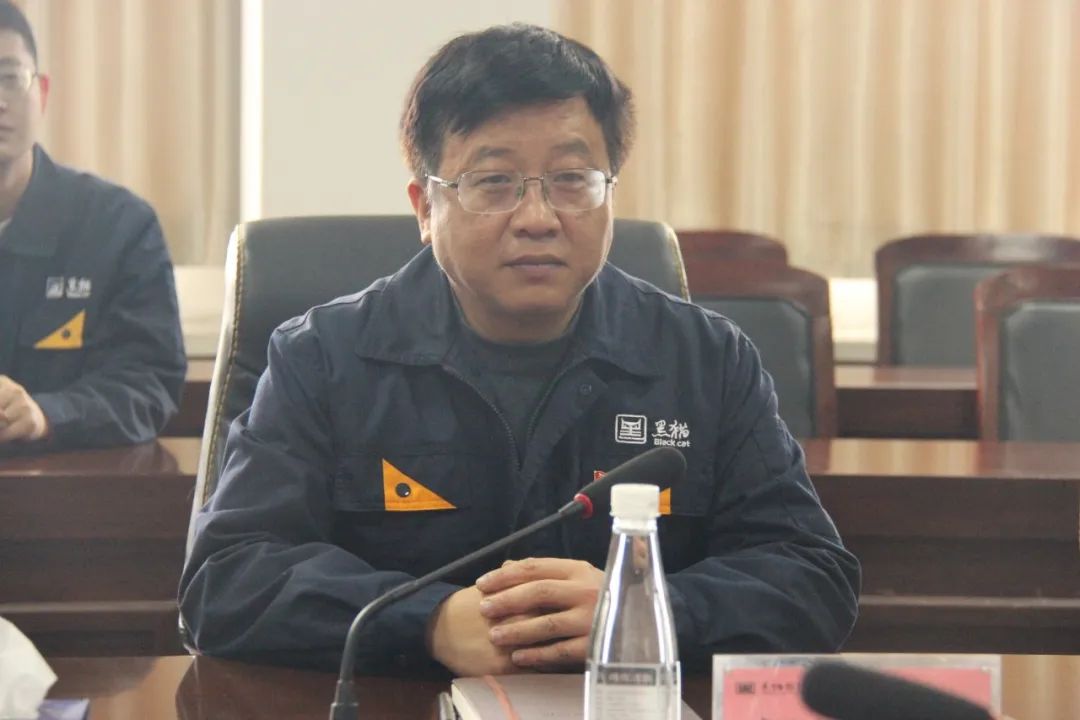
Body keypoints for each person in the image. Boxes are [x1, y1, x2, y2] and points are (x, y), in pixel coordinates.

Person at [180, 23, 859, 675]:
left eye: (572, 180)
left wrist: (644, 611)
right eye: (494, 182)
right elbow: (226, 579)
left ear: (609, 194)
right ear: (424, 207)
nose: (537, 218)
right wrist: (426, 621)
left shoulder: (705, 359)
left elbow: (813, 577)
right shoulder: (323, 359)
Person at [0, 1, 186, 453]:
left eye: (9, 78)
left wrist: (46, 414)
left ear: (42, 93)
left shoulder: (118, 226)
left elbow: (148, 383)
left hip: (67, 486)